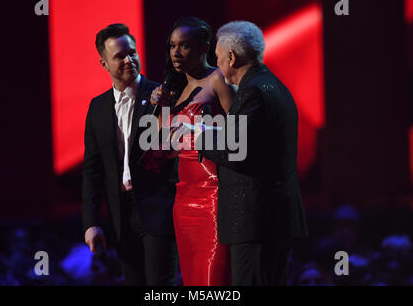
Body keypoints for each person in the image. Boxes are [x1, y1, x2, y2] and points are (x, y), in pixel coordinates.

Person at [200, 21, 309, 285]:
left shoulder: (253, 92)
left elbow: (235, 151)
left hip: (257, 221)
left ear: (232, 57)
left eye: (217, 57)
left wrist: (200, 136)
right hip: (272, 219)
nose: (216, 63)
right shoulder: (273, 86)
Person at [82, 23, 178, 286]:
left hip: (158, 207)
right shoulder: (97, 107)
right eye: (119, 56)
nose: (128, 60)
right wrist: (91, 223)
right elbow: (92, 169)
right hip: (121, 216)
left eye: (132, 52)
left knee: (162, 286)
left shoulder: (162, 96)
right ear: (103, 63)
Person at [150, 17, 235, 285]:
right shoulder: (173, 91)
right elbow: (162, 147)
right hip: (182, 199)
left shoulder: (219, 79)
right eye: (172, 46)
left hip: (214, 195)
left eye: (184, 45)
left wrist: (204, 133)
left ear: (204, 48)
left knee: (214, 280)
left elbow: (242, 136)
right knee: (192, 280)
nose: (176, 52)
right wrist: (162, 108)